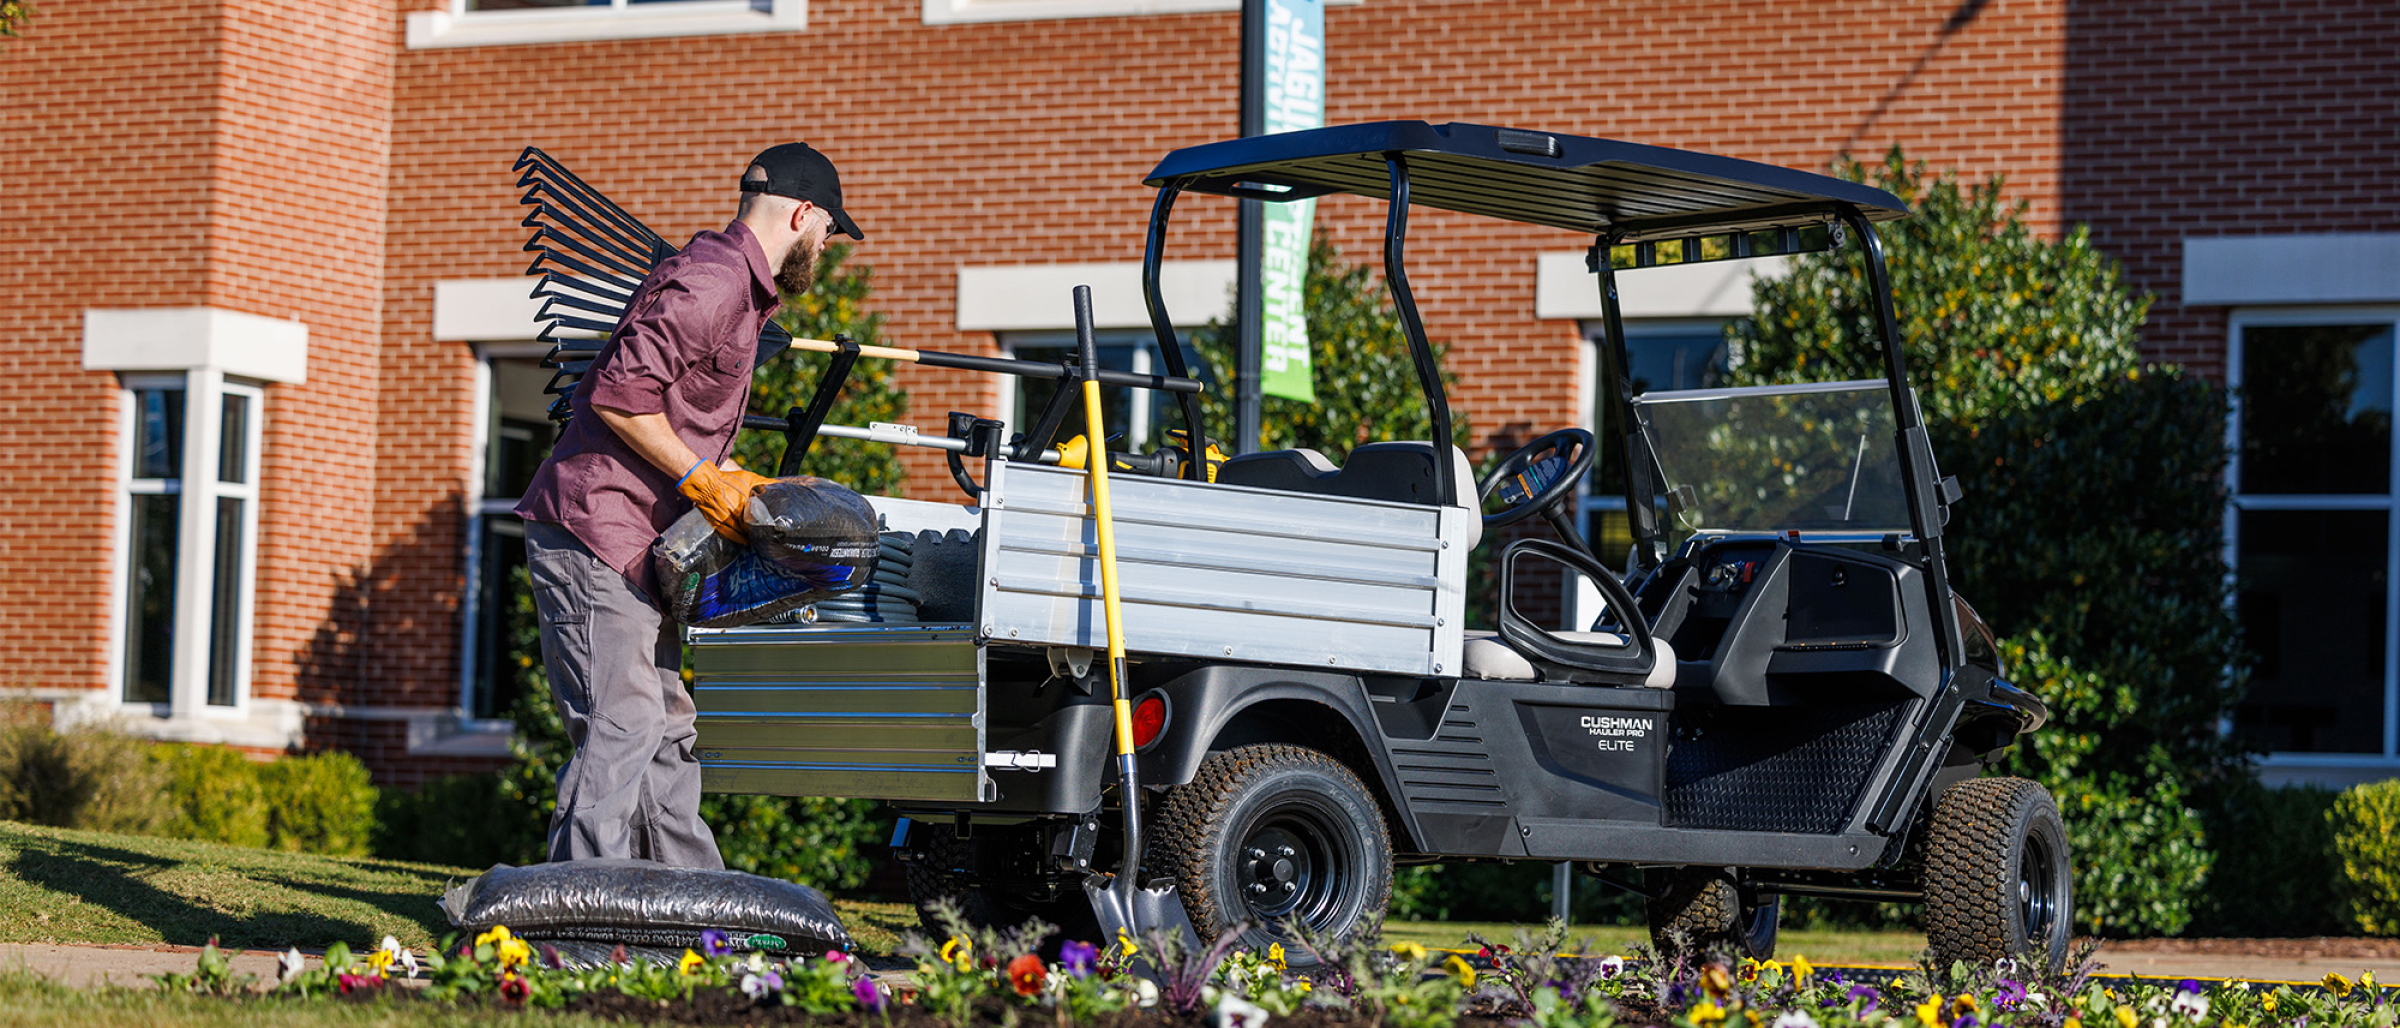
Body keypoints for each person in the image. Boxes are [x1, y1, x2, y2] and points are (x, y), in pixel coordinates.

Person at [514, 142, 863, 865]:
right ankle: (575, 911)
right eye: (827, 232)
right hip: (595, 532)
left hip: (640, 545)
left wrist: (753, 488)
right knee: (625, 722)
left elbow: (675, 419)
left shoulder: (735, 289)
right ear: (803, 214)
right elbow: (616, 395)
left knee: (668, 724)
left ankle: (692, 906)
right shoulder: (712, 281)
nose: (825, 248)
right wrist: (703, 483)